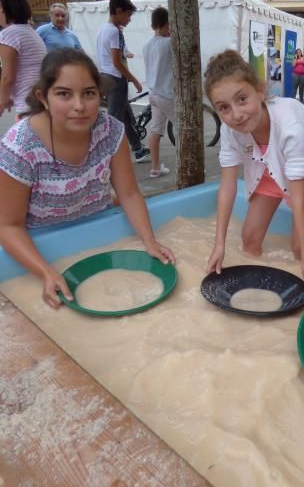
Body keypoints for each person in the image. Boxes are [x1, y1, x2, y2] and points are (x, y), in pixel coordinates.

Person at [0, 48, 175, 308]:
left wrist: (149, 242)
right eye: (63, 94)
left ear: (100, 95)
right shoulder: (19, 148)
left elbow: (129, 194)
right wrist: (46, 273)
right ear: (43, 97)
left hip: (100, 231)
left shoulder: (111, 131)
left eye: (89, 93)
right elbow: (8, 226)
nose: (79, 106)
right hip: (43, 246)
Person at [204, 50, 304, 291]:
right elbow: (228, 187)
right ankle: (257, 285)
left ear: (260, 91)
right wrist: (218, 244)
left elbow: (297, 194)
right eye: (224, 108)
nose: (236, 114)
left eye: (242, 99)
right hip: (265, 165)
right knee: (249, 238)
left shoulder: (289, 123)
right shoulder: (230, 130)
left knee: (298, 248)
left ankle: (300, 281)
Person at [96, 0, 149, 162]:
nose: (129, 19)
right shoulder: (114, 32)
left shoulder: (103, 30)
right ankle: (109, 155)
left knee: (126, 115)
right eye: (128, 14)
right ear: (119, 11)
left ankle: (138, 148)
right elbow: (117, 62)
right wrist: (134, 79)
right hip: (116, 79)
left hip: (106, 76)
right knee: (115, 119)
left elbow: (111, 56)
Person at [0, 0, 47, 118]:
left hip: (27, 107)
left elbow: (7, 77)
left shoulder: (8, 34)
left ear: (3, 8)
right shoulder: (29, 31)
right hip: (39, 99)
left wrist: (1, 103)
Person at [143, 6, 174, 178]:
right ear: (168, 23)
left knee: (155, 131)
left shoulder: (147, 46)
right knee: (184, 130)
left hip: (153, 94)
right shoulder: (169, 43)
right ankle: (192, 164)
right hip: (167, 94)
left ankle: (155, 168)